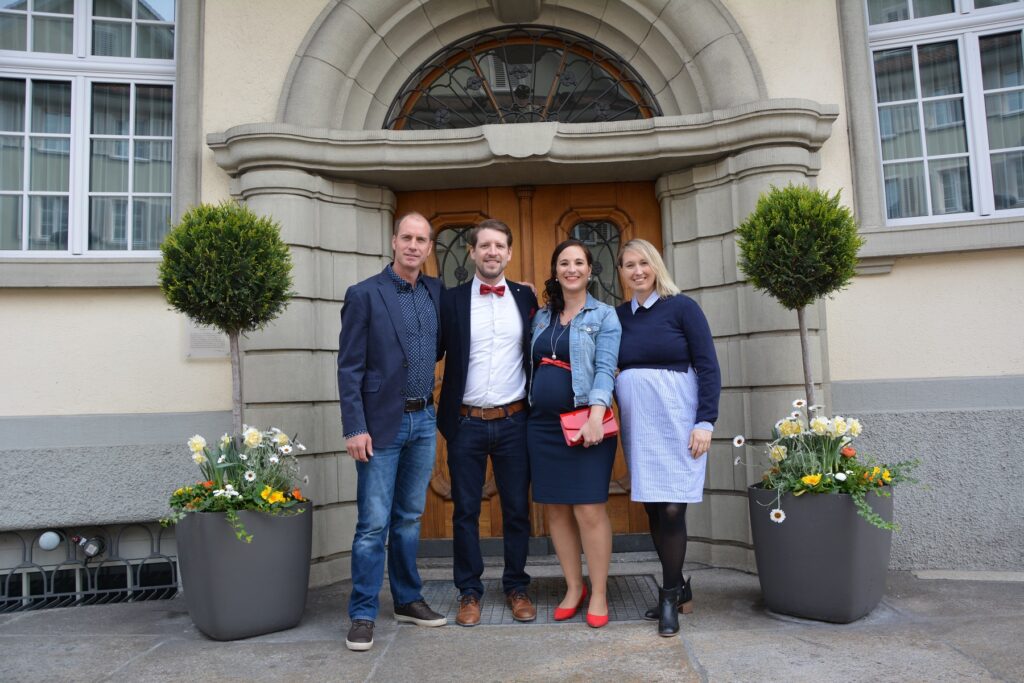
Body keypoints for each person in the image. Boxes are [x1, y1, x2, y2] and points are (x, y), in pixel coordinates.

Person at [337, 211, 448, 652]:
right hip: (380, 425)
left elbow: (443, 344)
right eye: (407, 238)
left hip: (424, 420)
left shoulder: (436, 291)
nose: (413, 246)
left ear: (429, 247)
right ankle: (363, 613)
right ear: (394, 241)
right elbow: (349, 367)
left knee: (408, 519)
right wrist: (355, 427)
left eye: (421, 240)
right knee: (372, 525)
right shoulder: (364, 294)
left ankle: (406, 600)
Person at [614, 238, 721, 638]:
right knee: (655, 509)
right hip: (640, 424)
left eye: (644, 263)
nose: (637, 271)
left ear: (656, 266)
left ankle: (669, 596)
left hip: (679, 419)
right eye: (629, 265)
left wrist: (705, 421)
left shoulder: (682, 308)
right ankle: (680, 589)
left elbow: (708, 366)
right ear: (621, 272)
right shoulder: (618, 316)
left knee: (674, 508)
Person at [437, 219, 539, 627]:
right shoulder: (452, 300)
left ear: (509, 253)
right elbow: (431, 349)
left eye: (499, 245)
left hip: (515, 421)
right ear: (472, 252)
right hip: (466, 423)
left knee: (516, 509)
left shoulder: (526, 298)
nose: (492, 252)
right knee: (465, 511)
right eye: (485, 245)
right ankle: (469, 591)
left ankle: (516, 586)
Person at [527, 238, 621, 628]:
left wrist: (596, 416)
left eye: (579, 262)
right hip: (542, 426)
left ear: (590, 270)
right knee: (556, 509)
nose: (571, 269)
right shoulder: (541, 317)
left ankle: (598, 592)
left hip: (586, 425)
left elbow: (605, 368)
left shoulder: (605, 316)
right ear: (555, 270)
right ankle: (573, 586)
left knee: (588, 509)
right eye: (564, 262)